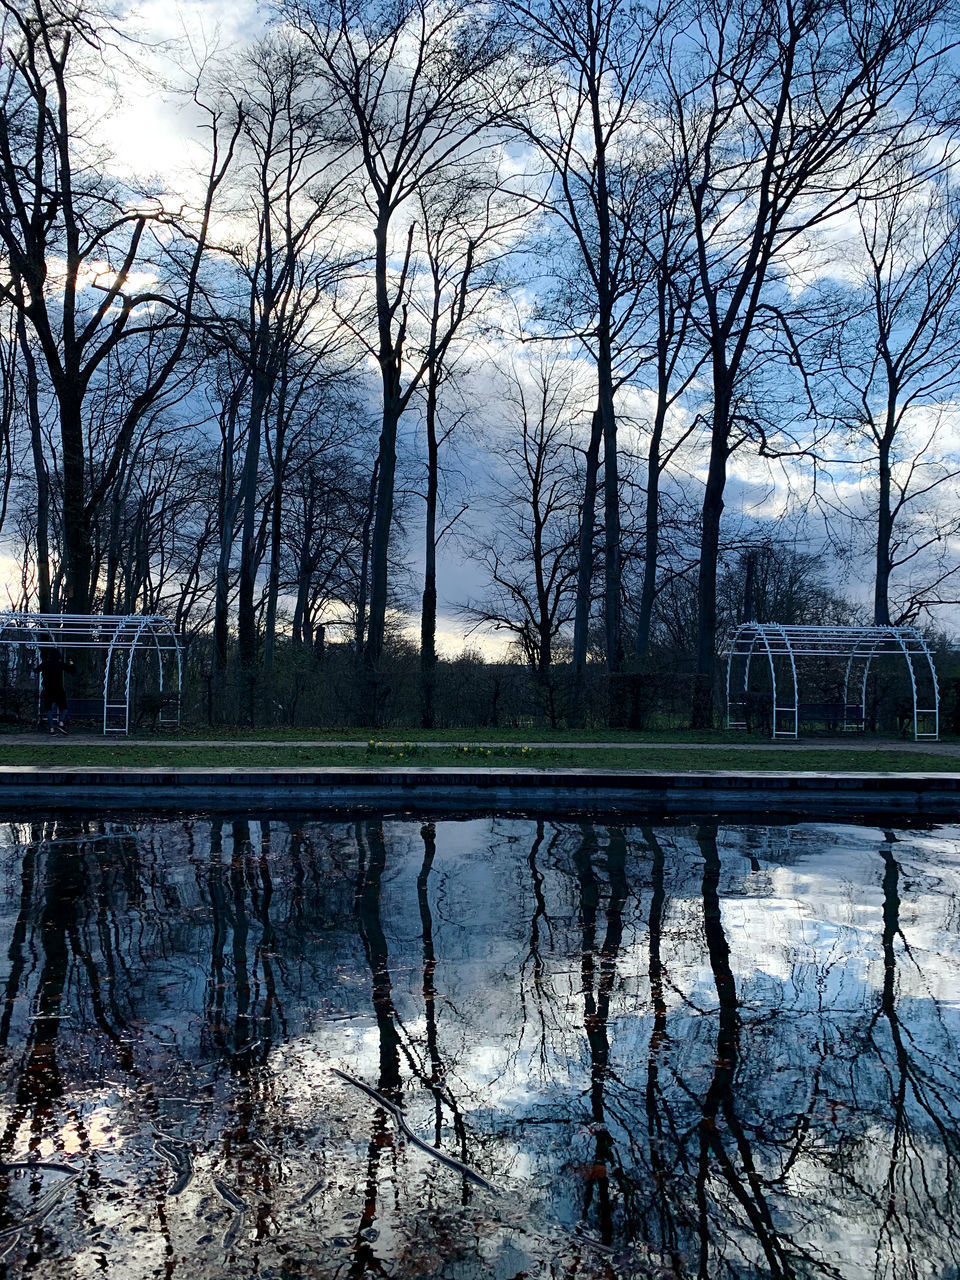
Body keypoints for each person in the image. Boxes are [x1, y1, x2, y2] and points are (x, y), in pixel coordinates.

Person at [34, 646, 75, 735]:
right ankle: (60, 722)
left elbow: (35, 670)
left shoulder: (45, 664)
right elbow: (72, 670)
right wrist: (71, 661)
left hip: (48, 689)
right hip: (58, 689)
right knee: (64, 708)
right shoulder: (59, 664)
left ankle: (52, 729)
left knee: (48, 709)